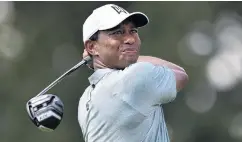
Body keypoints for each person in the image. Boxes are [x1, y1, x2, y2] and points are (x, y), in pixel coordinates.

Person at [78, 4, 188, 142]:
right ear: (92, 47)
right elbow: (180, 74)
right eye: (117, 32)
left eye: (133, 31)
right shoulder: (136, 77)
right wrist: (131, 57)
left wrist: (117, 56)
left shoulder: (85, 99)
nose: (130, 39)